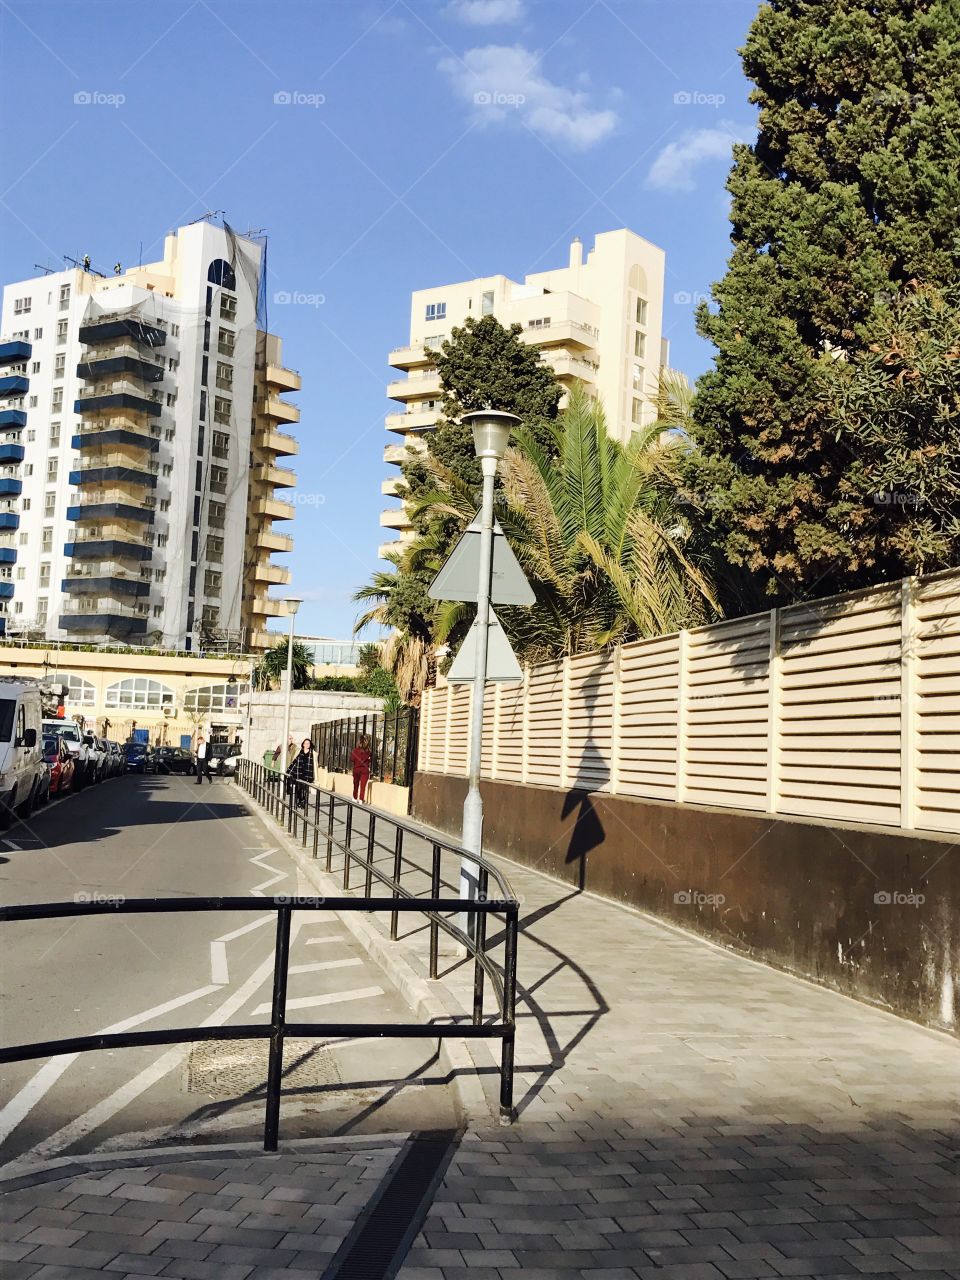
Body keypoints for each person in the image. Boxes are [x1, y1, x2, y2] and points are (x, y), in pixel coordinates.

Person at [286, 738, 315, 809]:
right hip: (298, 773)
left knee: (305, 790)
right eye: (305, 743)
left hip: (307, 774)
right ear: (303, 744)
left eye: (308, 743)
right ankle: (298, 801)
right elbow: (294, 762)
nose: (307, 745)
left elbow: (315, 766)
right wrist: (288, 771)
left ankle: (303, 803)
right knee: (298, 789)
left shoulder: (313, 753)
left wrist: (315, 777)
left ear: (310, 744)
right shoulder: (299, 752)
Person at [351, 734, 372, 803]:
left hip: (356, 769)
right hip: (365, 770)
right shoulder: (368, 751)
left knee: (356, 784)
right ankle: (361, 799)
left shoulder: (355, 751)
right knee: (363, 786)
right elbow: (370, 760)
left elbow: (352, 759)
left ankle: (354, 797)